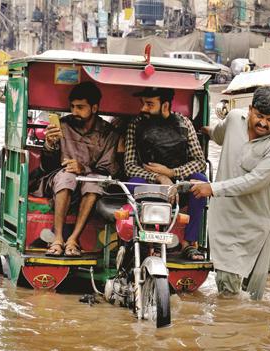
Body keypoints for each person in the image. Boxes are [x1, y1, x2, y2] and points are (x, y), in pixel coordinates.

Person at [192, 86, 270, 300]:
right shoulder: (234, 119)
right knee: (228, 293)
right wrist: (200, 130)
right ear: (250, 109)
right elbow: (218, 134)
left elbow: (255, 181)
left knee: (254, 298)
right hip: (226, 222)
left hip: (258, 225)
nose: (263, 123)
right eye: (259, 116)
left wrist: (213, 188)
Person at [32, 81, 125, 257]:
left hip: (90, 183)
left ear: (94, 108)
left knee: (93, 183)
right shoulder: (62, 125)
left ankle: (73, 239)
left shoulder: (108, 133)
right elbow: (47, 167)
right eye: (72, 107)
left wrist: (83, 168)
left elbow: (107, 169)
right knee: (67, 177)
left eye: (80, 107)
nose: (75, 112)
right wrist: (50, 145)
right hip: (59, 180)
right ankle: (58, 238)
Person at [124, 87, 208, 261]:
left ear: (165, 106)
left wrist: (172, 174)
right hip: (150, 183)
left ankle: (189, 243)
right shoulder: (135, 125)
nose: (143, 109)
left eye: (149, 104)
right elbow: (130, 166)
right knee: (132, 182)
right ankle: (147, 242)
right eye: (143, 104)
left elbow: (200, 162)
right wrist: (160, 177)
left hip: (179, 185)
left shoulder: (184, 124)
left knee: (201, 181)